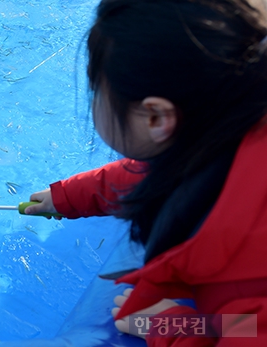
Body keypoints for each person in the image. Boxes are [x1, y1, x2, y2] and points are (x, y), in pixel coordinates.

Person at [24, 0, 267, 346]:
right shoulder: (240, 111)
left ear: (155, 117)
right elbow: (156, 176)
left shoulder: (247, 271)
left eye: (97, 91)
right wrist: (66, 197)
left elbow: (247, 332)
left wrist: (172, 327)